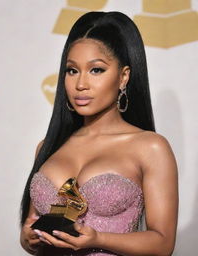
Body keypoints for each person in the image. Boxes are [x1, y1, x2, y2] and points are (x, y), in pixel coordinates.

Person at [20, 11, 178, 256]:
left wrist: (99, 238)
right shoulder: (48, 146)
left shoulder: (150, 147)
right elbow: (30, 227)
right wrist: (29, 237)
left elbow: (163, 243)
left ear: (123, 77)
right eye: (72, 71)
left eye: (96, 70)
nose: (80, 84)